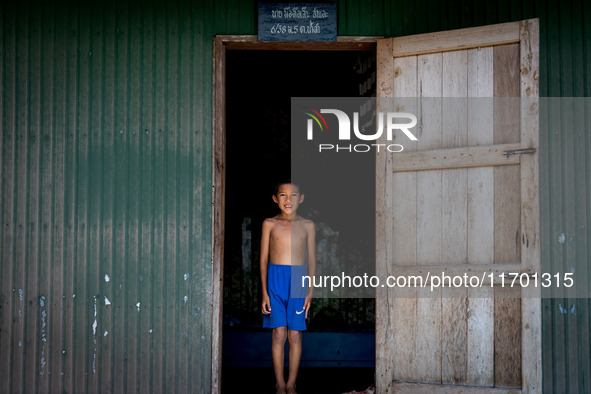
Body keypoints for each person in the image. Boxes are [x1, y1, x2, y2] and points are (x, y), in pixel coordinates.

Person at [260, 180, 316, 394]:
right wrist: (264, 292)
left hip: (299, 280)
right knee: (278, 333)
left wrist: (310, 290)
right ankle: (279, 384)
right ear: (275, 199)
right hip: (275, 279)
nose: (288, 200)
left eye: (293, 195)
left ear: (301, 199)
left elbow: (312, 260)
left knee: (295, 335)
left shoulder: (308, 225)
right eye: (282, 195)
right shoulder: (269, 223)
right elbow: (263, 259)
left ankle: (291, 384)